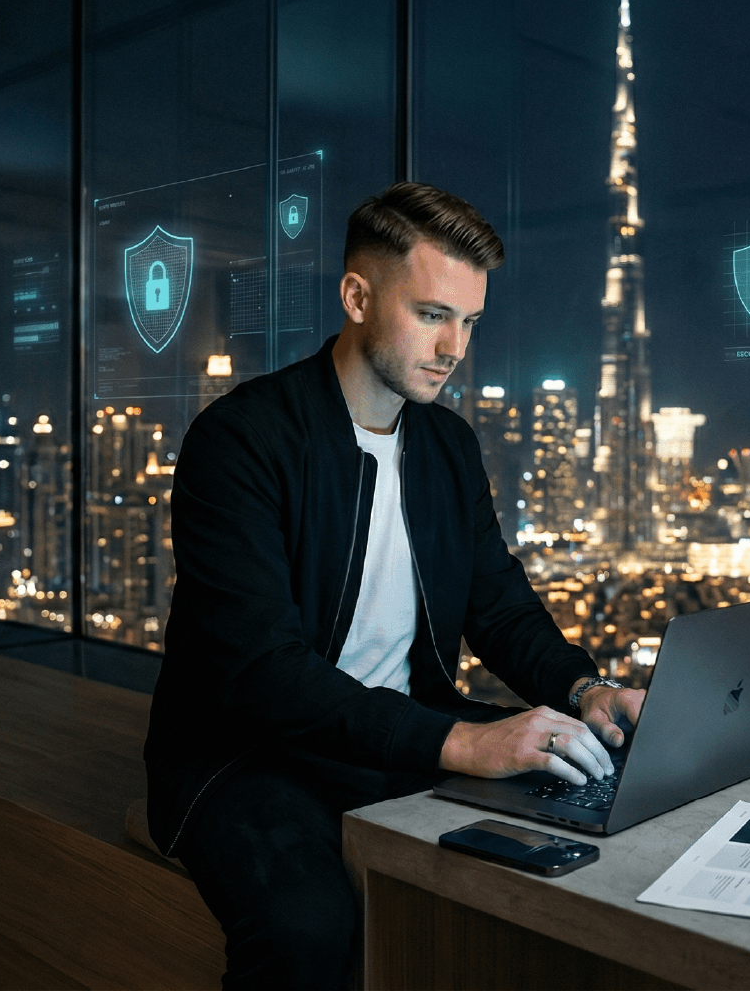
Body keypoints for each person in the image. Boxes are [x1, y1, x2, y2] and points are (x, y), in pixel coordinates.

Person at [143, 182, 644, 988]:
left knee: (593, 801)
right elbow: (262, 673)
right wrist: (464, 741)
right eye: (433, 314)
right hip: (247, 754)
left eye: (471, 322)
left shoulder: (445, 445)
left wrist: (585, 685)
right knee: (308, 926)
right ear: (357, 296)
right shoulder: (240, 441)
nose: (455, 347)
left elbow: (500, 605)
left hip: (398, 731)